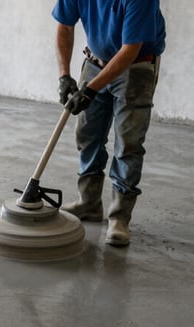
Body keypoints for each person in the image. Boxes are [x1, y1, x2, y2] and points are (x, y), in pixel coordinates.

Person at [53, 0, 166, 246]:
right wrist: (64, 76)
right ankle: (89, 203)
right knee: (87, 134)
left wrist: (90, 90)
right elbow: (64, 26)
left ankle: (119, 217)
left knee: (128, 142)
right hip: (94, 62)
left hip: (136, 66)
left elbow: (129, 50)